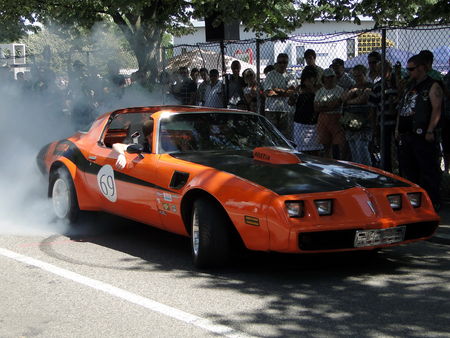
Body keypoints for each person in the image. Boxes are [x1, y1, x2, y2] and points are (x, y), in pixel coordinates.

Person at [396, 54, 443, 211]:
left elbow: (437, 108)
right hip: (406, 133)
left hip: (422, 133)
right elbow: (402, 108)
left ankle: (432, 200)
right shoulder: (409, 86)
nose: (409, 72)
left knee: (427, 168)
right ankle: (414, 201)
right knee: (409, 169)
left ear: (421, 67)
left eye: (411, 69)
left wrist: (430, 130)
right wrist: (398, 129)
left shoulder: (432, 85)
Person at [369, 61, 399, 171]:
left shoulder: (399, 84)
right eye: (379, 70)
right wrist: (374, 127)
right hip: (383, 122)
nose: (382, 72)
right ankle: (387, 172)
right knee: (385, 150)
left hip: (398, 122)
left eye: (384, 69)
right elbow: (373, 108)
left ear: (390, 69)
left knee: (400, 149)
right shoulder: (377, 86)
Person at [341, 64, 373, 165]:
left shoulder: (369, 86)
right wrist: (353, 93)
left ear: (364, 75)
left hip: (363, 122)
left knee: (362, 149)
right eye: (355, 76)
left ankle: (367, 172)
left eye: (359, 76)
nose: (357, 78)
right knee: (353, 149)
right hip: (350, 122)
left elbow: (363, 99)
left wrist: (350, 101)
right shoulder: (352, 87)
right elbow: (343, 99)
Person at [314, 68, 346, 159]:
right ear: (323, 78)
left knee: (338, 144)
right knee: (326, 146)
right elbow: (316, 108)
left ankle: (338, 163)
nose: (330, 79)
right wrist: (331, 104)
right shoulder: (320, 91)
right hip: (323, 119)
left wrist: (324, 105)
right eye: (327, 77)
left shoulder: (340, 90)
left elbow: (337, 105)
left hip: (337, 117)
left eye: (332, 77)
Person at [263, 53, 297, 139]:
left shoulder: (290, 75)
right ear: (277, 63)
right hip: (271, 110)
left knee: (285, 136)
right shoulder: (270, 75)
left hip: (285, 110)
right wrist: (284, 91)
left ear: (287, 63)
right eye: (280, 62)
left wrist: (276, 89)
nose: (282, 64)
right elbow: (268, 93)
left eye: (284, 62)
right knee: (272, 135)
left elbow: (291, 91)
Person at [293, 66, 323, 155]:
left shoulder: (319, 88)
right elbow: (291, 102)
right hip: (300, 122)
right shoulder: (299, 88)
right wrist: (294, 95)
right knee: (301, 150)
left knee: (315, 150)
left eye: (312, 78)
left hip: (314, 122)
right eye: (308, 79)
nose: (310, 81)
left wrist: (312, 90)